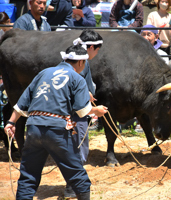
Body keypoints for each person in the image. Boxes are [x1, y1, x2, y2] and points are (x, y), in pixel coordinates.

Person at [4, 44, 108, 200]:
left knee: (28, 177)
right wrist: (97, 110)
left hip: (33, 128)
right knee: (79, 178)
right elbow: (82, 111)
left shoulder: (43, 73)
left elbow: (21, 104)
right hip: (57, 130)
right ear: (81, 62)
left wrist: (11, 123)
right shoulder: (77, 78)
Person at [62, 29, 103, 198]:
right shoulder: (81, 63)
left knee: (76, 148)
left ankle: (72, 185)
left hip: (74, 111)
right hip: (76, 113)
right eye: (97, 49)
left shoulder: (74, 59)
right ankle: (72, 188)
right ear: (91, 47)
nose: (97, 53)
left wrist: (87, 92)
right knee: (79, 149)